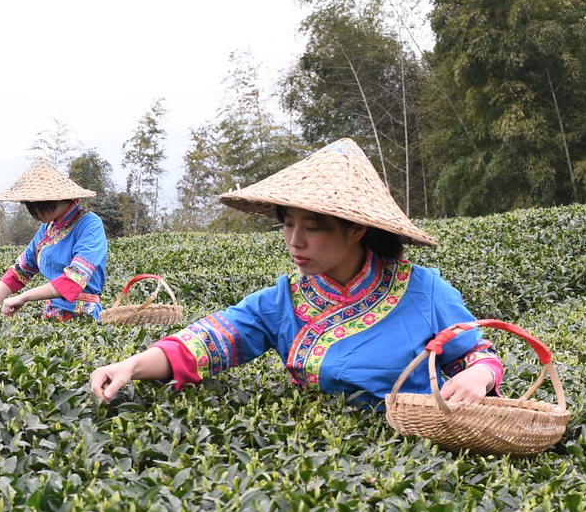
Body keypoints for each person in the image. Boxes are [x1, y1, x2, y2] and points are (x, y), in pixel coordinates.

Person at [88, 138, 503, 406]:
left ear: (356, 228)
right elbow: (208, 341)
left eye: (313, 227)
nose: (295, 241)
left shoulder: (425, 290)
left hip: (412, 461)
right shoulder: (282, 301)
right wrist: (131, 365)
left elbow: (477, 355)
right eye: (288, 224)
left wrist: (479, 376)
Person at [0, 159, 110, 322]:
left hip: (83, 318)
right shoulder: (47, 229)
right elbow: (21, 270)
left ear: (57, 198)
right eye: (29, 205)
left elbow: (75, 279)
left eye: (38, 204)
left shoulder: (89, 224)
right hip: (51, 317)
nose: (34, 212)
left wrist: (23, 297)